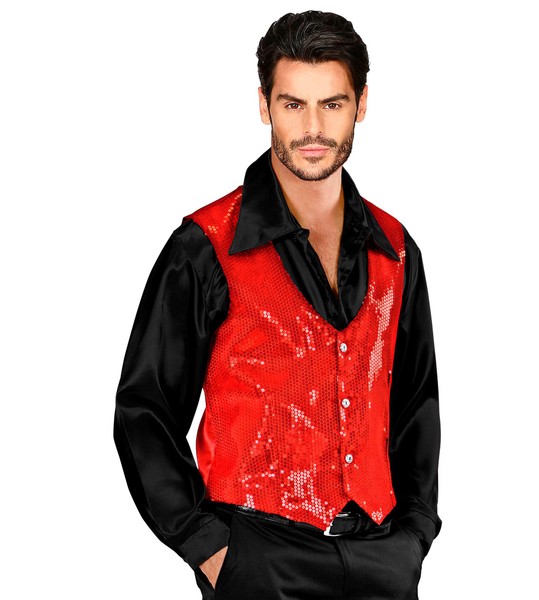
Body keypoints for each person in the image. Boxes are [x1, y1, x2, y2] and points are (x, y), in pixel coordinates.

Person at [113, 10, 441, 600]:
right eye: (293, 104)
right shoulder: (206, 245)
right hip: (257, 558)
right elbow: (145, 411)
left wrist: (414, 534)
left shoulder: (395, 248)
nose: (313, 127)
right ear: (264, 105)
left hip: (381, 555)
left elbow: (417, 403)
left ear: (362, 104)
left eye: (332, 104)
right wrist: (211, 550)